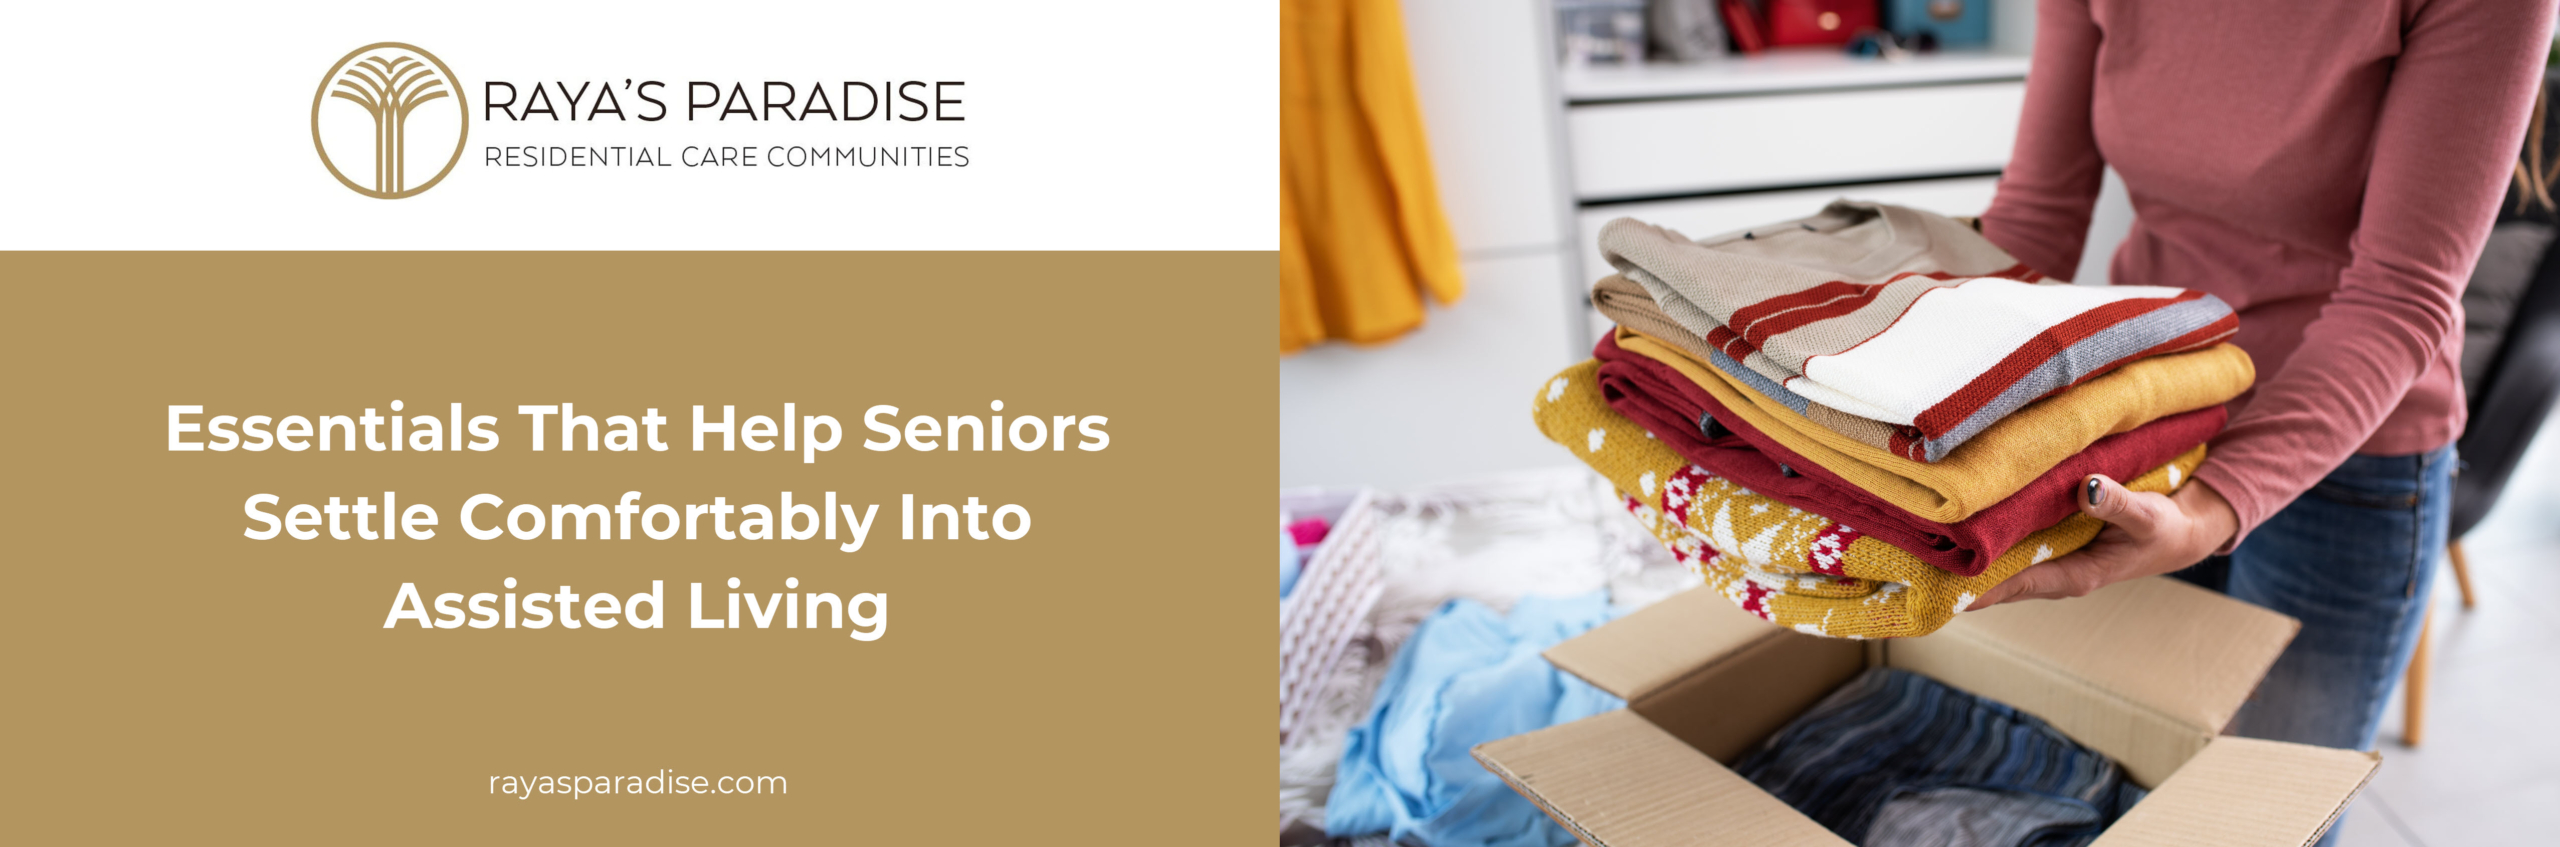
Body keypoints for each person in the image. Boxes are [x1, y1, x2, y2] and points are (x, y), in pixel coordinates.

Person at [1962, 0, 2554, 817]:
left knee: (2253, 816)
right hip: (2155, 412)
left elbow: (2399, 297)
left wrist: (2212, 509)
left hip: (2351, 453)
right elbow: (2037, 214)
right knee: (2117, 784)